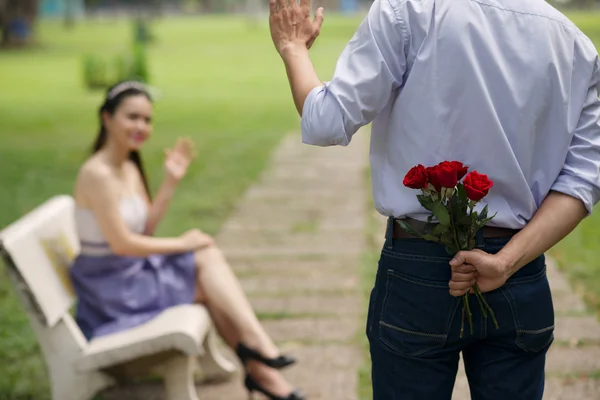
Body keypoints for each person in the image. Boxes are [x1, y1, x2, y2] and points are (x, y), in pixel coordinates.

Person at [268, 0, 600, 399]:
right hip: (519, 273)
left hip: (420, 271)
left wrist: (292, 48)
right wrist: (504, 263)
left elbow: (326, 121)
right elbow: (582, 180)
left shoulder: (406, 10)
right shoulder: (574, 43)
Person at [69, 80, 305, 400]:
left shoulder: (127, 165)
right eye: (132, 117)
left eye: (147, 119)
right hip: (111, 292)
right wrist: (183, 243)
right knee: (205, 264)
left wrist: (169, 182)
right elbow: (123, 244)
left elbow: (144, 231)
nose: (141, 126)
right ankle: (261, 354)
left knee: (206, 263)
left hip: (129, 277)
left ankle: (263, 368)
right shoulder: (97, 174)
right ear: (106, 118)